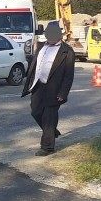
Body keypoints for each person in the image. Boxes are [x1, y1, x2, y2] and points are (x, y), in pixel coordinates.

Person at [21, 22, 75, 156]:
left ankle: (47, 147)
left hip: (54, 88)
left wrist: (63, 93)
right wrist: (30, 82)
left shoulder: (67, 51)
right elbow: (35, 65)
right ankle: (51, 131)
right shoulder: (41, 47)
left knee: (49, 116)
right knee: (35, 111)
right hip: (38, 86)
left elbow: (69, 75)